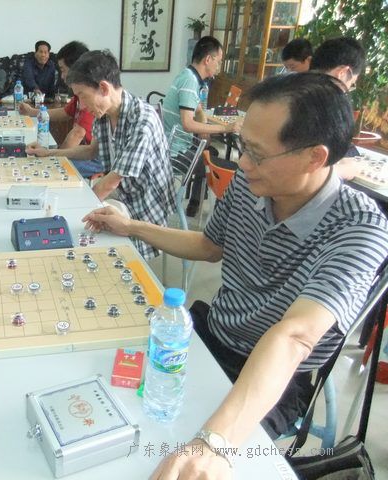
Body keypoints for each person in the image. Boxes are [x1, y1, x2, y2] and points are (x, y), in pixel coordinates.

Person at [82, 72, 388, 479]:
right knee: (109, 413)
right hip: (212, 333)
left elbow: (294, 337)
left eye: (257, 154)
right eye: (243, 146)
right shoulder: (251, 182)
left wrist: (214, 444)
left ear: (315, 157)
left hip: (275, 379)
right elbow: (210, 245)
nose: (241, 164)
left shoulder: (360, 228)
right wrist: (131, 227)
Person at [27, 50, 175, 259]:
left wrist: (73, 212)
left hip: (145, 205)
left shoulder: (143, 120)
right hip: (123, 194)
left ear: (104, 88)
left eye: (82, 96)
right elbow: (91, 150)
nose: (82, 105)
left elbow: (111, 183)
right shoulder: (104, 113)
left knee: (83, 242)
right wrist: (50, 153)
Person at [162, 36, 241, 218]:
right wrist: (226, 128)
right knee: (214, 162)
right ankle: (213, 213)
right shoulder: (190, 81)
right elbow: (188, 124)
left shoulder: (188, 76)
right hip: (174, 152)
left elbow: (198, 109)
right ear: (208, 59)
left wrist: (204, 125)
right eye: (218, 61)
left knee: (209, 150)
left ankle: (195, 204)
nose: (219, 66)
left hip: (175, 145)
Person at [19, 41, 102, 178]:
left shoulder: (89, 97)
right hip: (85, 151)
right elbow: (64, 112)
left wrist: (52, 158)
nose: (62, 76)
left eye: (63, 70)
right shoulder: (79, 95)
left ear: (77, 69)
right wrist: (32, 112)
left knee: (48, 170)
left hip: (94, 160)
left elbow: (77, 134)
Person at [311, 36, 367, 180]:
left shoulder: (284, 88)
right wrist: (344, 170)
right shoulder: (327, 102)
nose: (347, 90)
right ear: (343, 73)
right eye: (351, 84)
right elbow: (299, 169)